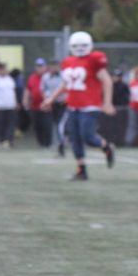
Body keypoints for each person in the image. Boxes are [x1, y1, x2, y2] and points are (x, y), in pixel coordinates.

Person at [41, 31, 115, 181]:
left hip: (90, 106)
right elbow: (65, 83)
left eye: (83, 45)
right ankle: (81, 170)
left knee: (88, 137)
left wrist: (107, 102)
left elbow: (107, 81)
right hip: (73, 106)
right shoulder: (68, 62)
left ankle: (106, 147)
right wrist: (51, 99)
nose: (80, 48)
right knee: (75, 139)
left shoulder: (94, 59)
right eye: (76, 46)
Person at [41, 59, 68, 156]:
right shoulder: (45, 77)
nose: (54, 68)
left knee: (61, 124)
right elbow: (43, 90)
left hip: (63, 103)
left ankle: (62, 143)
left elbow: (66, 88)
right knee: (54, 124)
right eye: (52, 66)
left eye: (56, 66)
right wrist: (47, 102)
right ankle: (57, 142)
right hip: (52, 104)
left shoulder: (64, 76)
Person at [23, 58, 52, 147]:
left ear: (46, 67)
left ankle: (48, 143)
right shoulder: (32, 77)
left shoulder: (49, 76)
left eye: (41, 66)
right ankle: (41, 143)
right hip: (35, 107)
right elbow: (28, 89)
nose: (40, 68)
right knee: (37, 126)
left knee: (46, 125)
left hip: (47, 107)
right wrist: (25, 100)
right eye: (38, 66)